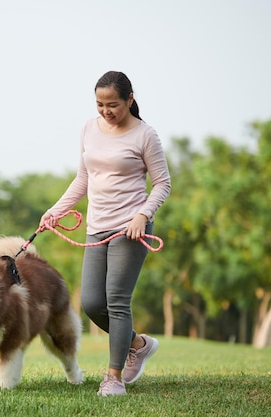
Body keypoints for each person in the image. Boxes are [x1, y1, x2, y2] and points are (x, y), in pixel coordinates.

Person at [40, 70, 171, 396]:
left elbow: (163, 184)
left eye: (112, 104)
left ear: (129, 99)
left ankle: (113, 378)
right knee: (92, 302)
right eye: (100, 104)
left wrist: (143, 215)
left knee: (116, 301)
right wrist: (56, 210)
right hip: (96, 227)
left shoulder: (145, 135)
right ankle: (138, 344)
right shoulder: (88, 128)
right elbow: (83, 178)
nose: (106, 111)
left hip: (131, 229)